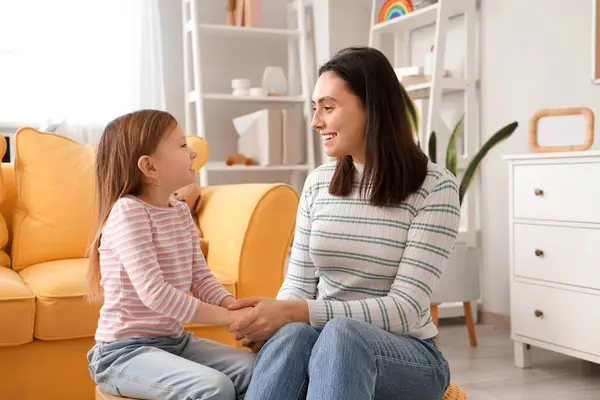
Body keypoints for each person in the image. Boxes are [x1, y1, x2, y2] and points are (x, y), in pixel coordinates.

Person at [227, 46, 461, 400]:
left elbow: (404, 310)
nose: (316, 121)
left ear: (372, 108)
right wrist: (272, 320)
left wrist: (297, 311)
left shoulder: (434, 187)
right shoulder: (319, 183)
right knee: (292, 335)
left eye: (328, 107)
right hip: (325, 344)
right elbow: (298, 284)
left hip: (409, 357)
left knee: (341, 334)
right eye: (314, 108)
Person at [85, 110, 256, 400]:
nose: (192, 153)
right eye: (181, 145)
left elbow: (200, 279)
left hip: (175, 342)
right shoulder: (128, 213)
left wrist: (236, 308)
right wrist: (228, 319)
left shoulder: (179, 212)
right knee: (214, 388)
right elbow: (156, 294)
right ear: (149, 167)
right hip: (122, 353)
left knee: (261, 369)